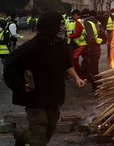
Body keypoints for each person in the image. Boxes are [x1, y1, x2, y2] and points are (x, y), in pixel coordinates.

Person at [3, 10, 86, 146]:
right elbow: (10, 66)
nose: (63, 28)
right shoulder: (32, 47)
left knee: (49, 129)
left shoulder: (61, 46)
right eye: (60, 25)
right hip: (35, 98)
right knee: (39, 138)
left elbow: (67, 64)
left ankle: (21, 136)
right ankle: (28, 138)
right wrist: (19, 85)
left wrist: (77, 78)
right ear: (51, 27)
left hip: (53, 95)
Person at [81, 10, 102, 91]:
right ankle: (99, 85)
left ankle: (97, 87)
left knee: (87, 70)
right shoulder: (96, 22)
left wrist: (88, 48)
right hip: (97, 49)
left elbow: (91, 38)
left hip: (91, 50)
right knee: (94, 69)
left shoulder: (87, 23)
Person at [68, 9, 87, 76]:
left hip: (81, 44)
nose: (73, 17)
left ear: (76, 15)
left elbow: (78, 34)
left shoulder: (78, 22)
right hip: (83, 44)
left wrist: (70, 36)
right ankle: (85, 72)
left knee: (74, 58)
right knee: (86, 59)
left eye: (73, 15)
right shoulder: (82, 21)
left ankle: (80, 74)